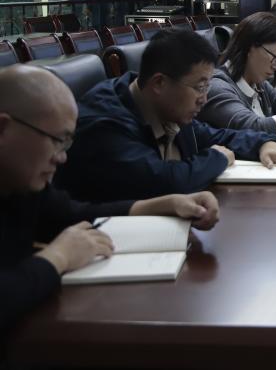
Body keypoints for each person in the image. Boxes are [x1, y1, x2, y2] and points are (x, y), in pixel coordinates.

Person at [1, 65, 222, 328]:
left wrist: (162, 205)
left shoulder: (21, 182)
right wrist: (58, 258)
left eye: (66, 143)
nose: (62, 157)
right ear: (3, 129)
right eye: (57, 140)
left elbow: (72, 214)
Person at [57, 29, 276, 203]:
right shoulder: (105, 124)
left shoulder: (167, 106)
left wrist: (262, 144)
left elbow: (213, 135)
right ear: (159, 83)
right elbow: (164, 181)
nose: (204, 98)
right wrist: (216, 158)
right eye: (200, 87)